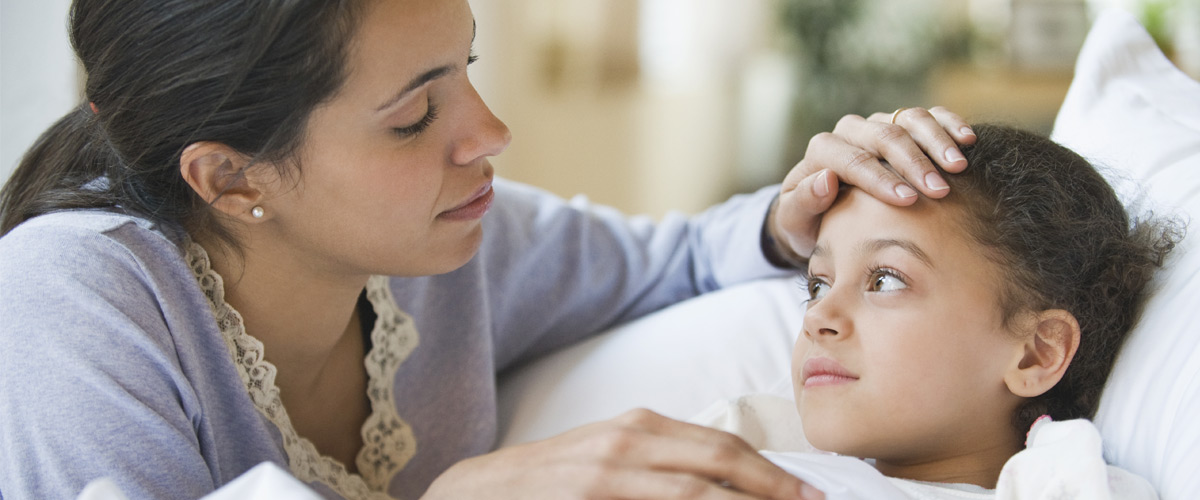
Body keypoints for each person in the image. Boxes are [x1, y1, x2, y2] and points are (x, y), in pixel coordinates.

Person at [0, 1, 976, 499]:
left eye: (465, 68)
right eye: (413, 115)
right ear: (229, 177)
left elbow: (673, 259)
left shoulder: (463, 246)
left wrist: (797, 213)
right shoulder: (75, 299)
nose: (491, 131)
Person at [699, 124, 1180, 498]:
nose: (817, 316)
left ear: (1036, 353)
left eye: (884, 280)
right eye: (818, 284)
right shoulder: (747, 439)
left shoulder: (1059, 482)